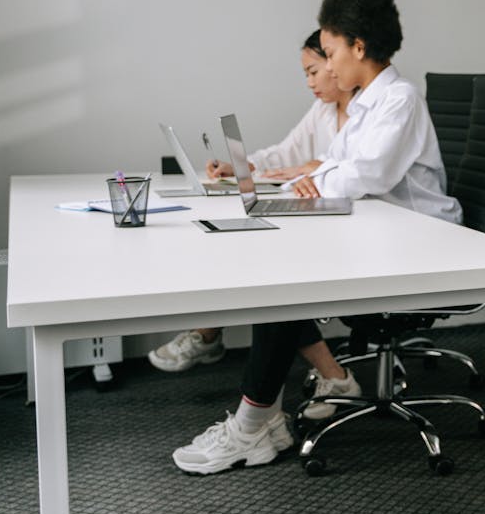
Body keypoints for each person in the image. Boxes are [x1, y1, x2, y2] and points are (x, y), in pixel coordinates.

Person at [172, 0, 462, 475]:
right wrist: (313, 175)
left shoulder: (399, 99)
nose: (326, 67)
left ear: (358, 46)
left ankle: (253, 424)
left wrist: (316, 176)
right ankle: (260, 420)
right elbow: (334, 165)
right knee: (276, 269)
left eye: (329, 53)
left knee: (283, 277)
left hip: (421, 241)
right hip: (380, 231)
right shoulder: (364, 103)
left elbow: (365, 172)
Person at [148, 31, 359, 423]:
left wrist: (315, 169)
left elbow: (352, 170)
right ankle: (331, 375)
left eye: (316, 68)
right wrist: (240, 167)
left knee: (272, 270)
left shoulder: (371, 109)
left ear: (336, 61)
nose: (310, 81)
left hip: (367, 227)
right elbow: (286, 152)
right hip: (337, 218)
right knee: (255, 254)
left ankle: (210, 334)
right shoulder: (325, 111)